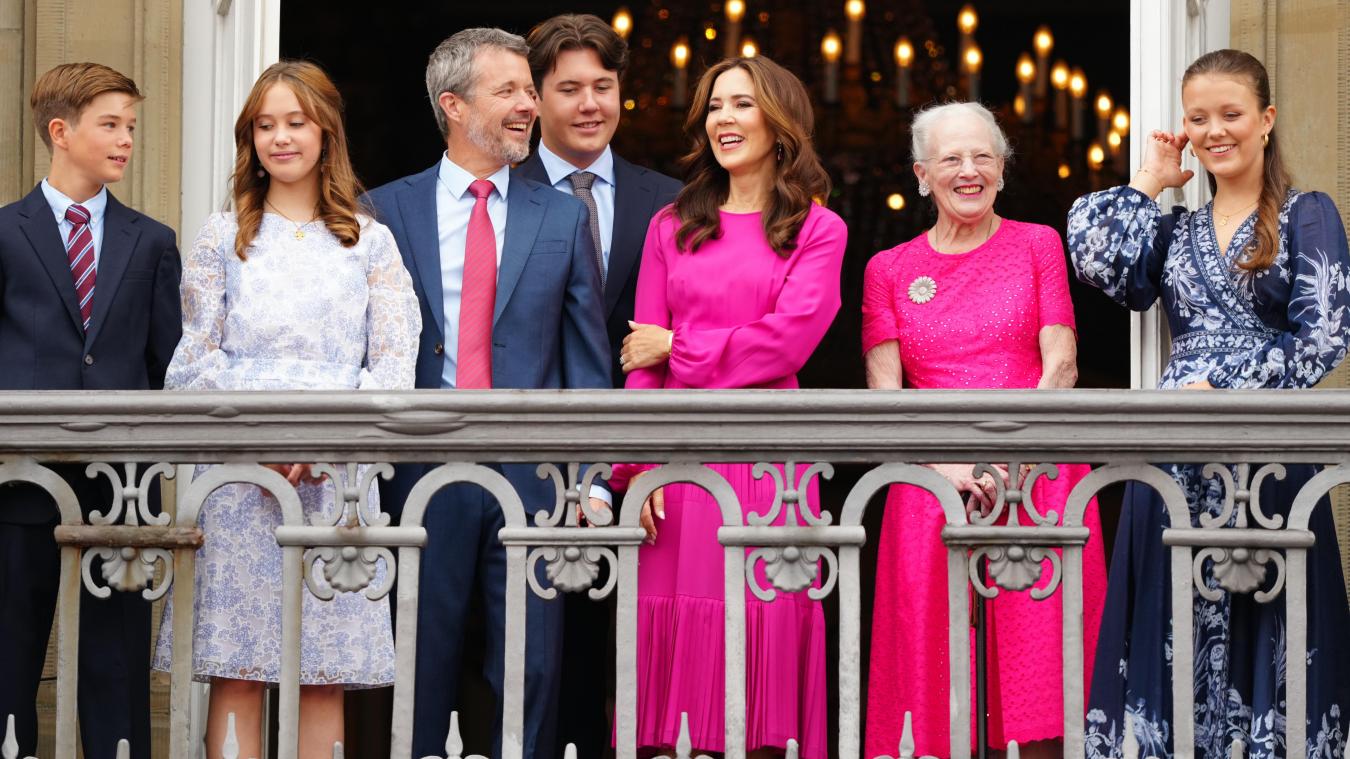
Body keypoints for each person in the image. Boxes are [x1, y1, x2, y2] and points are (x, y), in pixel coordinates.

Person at [1069, 49, 1350, 758]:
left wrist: (1225, 389)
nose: (1215, 130)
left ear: (1266, 120)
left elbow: (1326, 339)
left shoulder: (1306, 214)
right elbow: (1098, 261)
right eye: (1199, 118)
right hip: (1174, 462)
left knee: (1272, 639)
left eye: (1231, 114)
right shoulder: (1175, 231)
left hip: (1269, 459)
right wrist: (1149, 181)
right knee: (1168, 634)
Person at [150, 60, 420, 759]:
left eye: (295, 122)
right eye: (266, 125)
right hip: (238, 479)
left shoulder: (372, 243)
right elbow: (192, 365)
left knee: (321, 674)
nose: (281, 138)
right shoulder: (222, 237)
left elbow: (392, 367)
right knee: (238, 666)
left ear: (325, 132)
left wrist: (319, 440)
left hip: (333, 480)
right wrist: (259, 439)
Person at [366, 28, 611, 759]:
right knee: (416, 662)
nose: (529, 106)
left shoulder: (563, 216)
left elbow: (588, 365)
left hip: (530, 481)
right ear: (453, 104)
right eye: (508, 90)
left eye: (529, 92)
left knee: (529, 669)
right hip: (416, 475)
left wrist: (592, 487)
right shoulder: (384, 209)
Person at [606, 55, 846, 759]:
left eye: (742, 105)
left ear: (779, 123)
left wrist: (678, 347)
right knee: (665, 673)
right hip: (674, 467)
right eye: (714, 107)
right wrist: (635, 469)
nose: (724, 120)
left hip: (767, 460)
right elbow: (636, 361)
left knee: (759, 636)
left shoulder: (817, 228)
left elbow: (786, 343)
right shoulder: (670, 224)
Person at [861, 102, 1108, 759]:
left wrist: (1006, 465)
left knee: (1042, 689)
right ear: (921, 175)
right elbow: (884, 394)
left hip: (1036, 475)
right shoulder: (888, 269)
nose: (968, 171)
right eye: (950, 159)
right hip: (929, 485)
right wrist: (952, 474)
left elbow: (1062, 362)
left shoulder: (1037, 244)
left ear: (1001, 169)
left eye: (982, 157)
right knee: (935, 686)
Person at [0, 62, 181, 759]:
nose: (125, 139)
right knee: (10, 651)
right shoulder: (7, 232)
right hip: (18, 482)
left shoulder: (152, 240)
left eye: (130, 126)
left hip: (120, 486)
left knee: (114, 662)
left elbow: (168, 366)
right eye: (110, 124)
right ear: (60, 132)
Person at [515, 14, 683, 754]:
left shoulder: (673, 201)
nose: (590, 104)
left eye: (604, 87)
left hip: (650, 463)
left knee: (636, 666)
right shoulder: (496, 192)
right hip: (530, 458)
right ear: (537, 96)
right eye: (570, 88)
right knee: (531, 662)